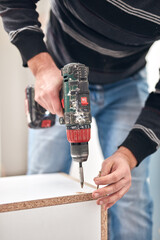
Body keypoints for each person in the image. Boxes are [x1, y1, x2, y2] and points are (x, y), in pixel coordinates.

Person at [0, 1, 160, 239]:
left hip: (126, 80)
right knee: (43, 183)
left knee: (128, 194)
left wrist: (128, 155)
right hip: (59, 73)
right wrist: (41, 67)